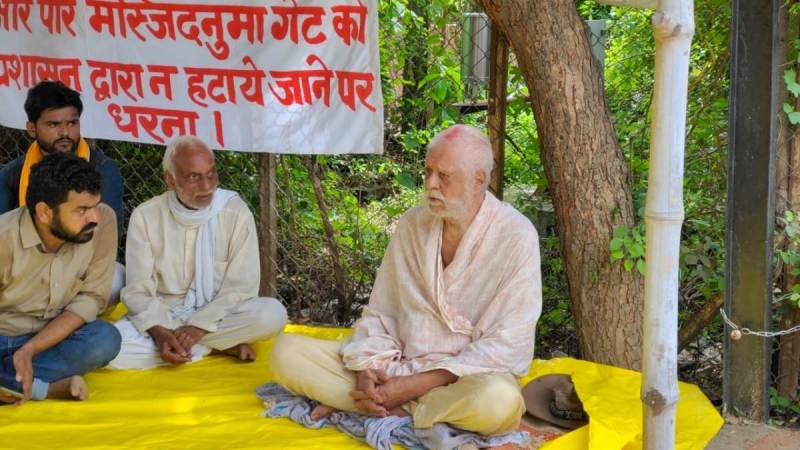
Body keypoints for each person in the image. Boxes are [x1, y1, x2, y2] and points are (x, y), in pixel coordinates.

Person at [270, 124, 542, 436]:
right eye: (428, 172)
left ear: (479, 180)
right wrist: (367, 369)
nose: (430, 185)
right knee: (285, 352)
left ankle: (375, 405)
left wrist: (414, 385)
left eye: (444, 176)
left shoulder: (516, 236)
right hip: (396, 368)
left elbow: (508, 344)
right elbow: (382, 312)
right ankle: (393, 404)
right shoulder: (413, 224)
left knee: (500, 403)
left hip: (465, 379)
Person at [109, 136, 287, 370]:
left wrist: (197, 328)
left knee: (272, 315)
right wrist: (160, 332)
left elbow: (240, 288)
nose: (207, 186)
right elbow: (138, 290)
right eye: (194, 177)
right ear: (170, 180)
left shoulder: (234, 211)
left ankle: (189, 346)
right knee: (111, 349)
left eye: (211, 174)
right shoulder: (146, 215)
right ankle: (218, 346)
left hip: (216, 316)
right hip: (164, 314)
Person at [0, 152, 121, 404]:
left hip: (55, 338)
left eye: (96, 205)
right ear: (44, 212)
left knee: (104, 339)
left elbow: (90, 299)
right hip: (3, 336)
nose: (94, 218)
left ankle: (11, 382)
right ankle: (45, 389)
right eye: (82, 210)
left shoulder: (103, 222)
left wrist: (31, 349)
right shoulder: (4, 239)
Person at [0, 81, 126, 304]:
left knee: (116, 279)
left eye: (72, 123)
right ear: (32, 128)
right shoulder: (13, 173)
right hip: (27, 265)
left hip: (80, 262)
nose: (65, 133)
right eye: (53, 124)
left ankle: (65, 318)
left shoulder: (104, 169)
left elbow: (103, 233)